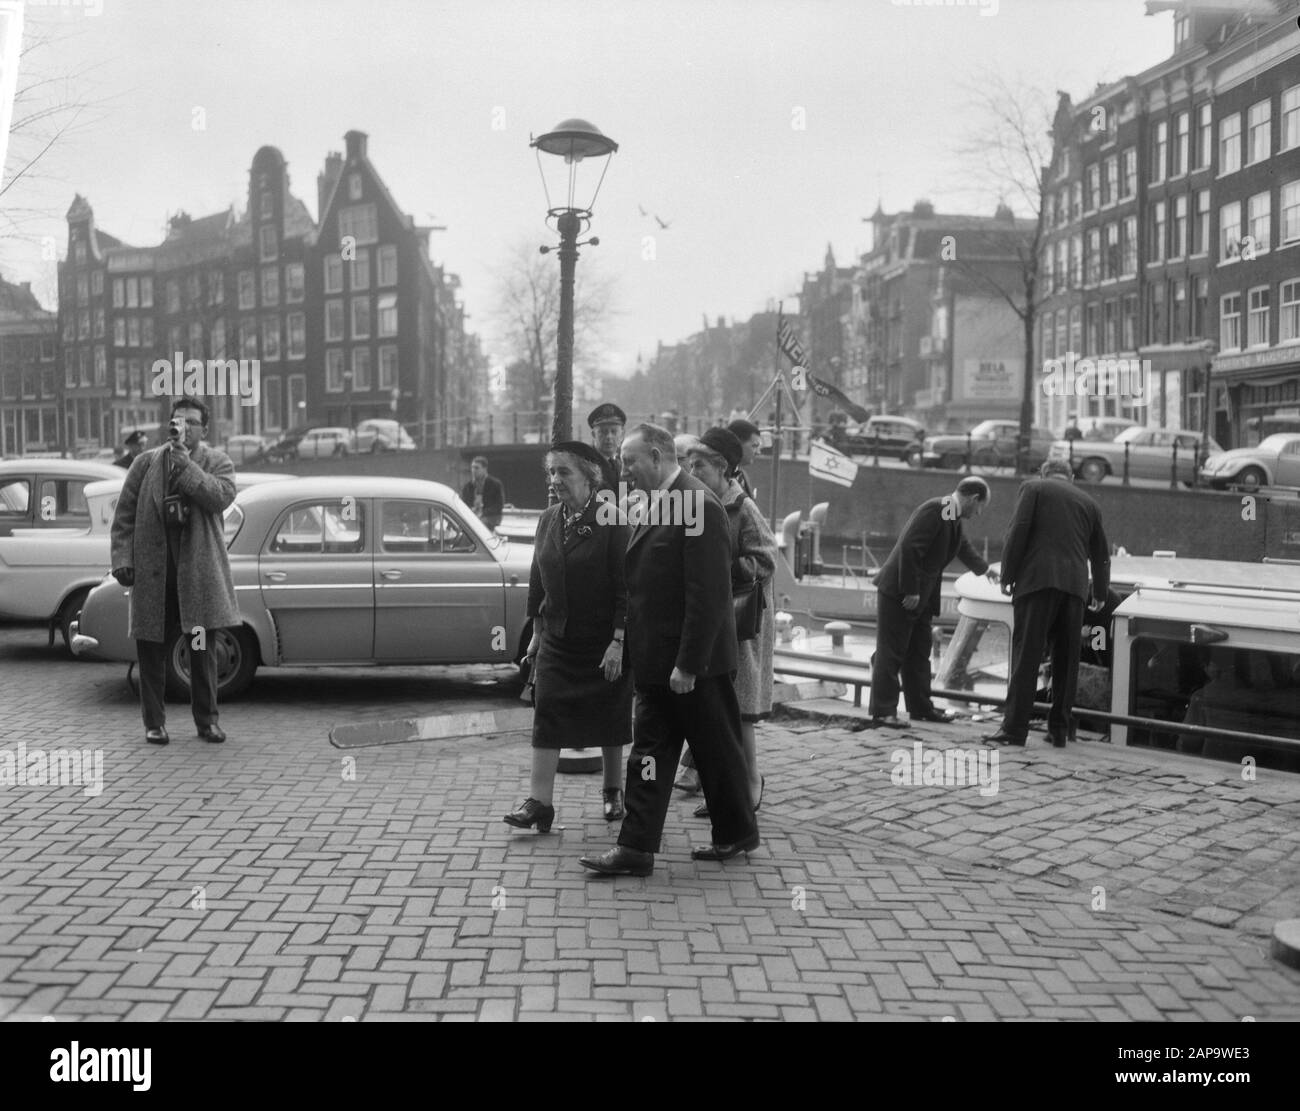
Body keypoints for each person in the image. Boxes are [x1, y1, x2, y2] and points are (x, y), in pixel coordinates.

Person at [578, 423, 759, 876]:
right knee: (653, 755)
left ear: (657, 456)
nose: (624, 469)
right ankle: (637, 847)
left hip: (691, 664)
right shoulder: (656, 503)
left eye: (630, 460)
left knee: (715, 753)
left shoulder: (699, 505)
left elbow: (709, 595)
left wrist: (688, 664)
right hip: (660, 661)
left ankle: (735, 833)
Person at [504, 442, 631, 831]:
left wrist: (619, 641)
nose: (555, 480)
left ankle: (613, 791)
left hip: (602, 639)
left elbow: (627, 587)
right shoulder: (548, 519)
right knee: (548, 712)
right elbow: (536, 580)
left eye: (564, 473)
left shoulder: (613, 519)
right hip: (557, 637)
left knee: (610, 712)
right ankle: (540, 802)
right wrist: (537, 635)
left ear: (589, 478)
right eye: (552, 472)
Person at [110, 398, 238, 746]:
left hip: (195, 579)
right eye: (177, 421)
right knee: (151, 653)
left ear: (204, 429)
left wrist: (186, 467)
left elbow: (220, 497)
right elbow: (124, 516)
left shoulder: (217, 462)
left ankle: (206, 721)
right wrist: (123, 558)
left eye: (191, 422)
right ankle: (154, 723)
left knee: (200, 652)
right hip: (156, 579)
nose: (182, 427)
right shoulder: (145, 463)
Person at [681, 427, 775, 816]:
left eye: (698, 464)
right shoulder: (699, 503)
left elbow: (766, 560)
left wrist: (720, 568)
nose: (692, 471)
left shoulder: (743, 507)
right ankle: (723, 790)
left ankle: (750, 784)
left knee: (741, 712)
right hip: (714, 619)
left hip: (741, 621)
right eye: (689, 464)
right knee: (717, 710)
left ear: (721, 468)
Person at [985, 458, 1110, 748]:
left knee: (1026, 656)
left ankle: (1014, 730)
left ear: (1043, 473)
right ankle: (1059, 731)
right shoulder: (1089, 503)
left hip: (1037, 582)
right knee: (1067, 661)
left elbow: (1018, 531)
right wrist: (1100, 591)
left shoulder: (1033, 488)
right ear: (1071, 478)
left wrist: (1008, 575)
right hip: (1076, 589)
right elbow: (1100, 553)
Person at [870, 477, 996, 728]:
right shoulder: (936, 509)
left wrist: (985, 570)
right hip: (901, 593)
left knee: (918, 653)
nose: (979, 513)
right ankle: (883, 711)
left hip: (921, 598)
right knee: (891, 651)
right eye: (981, 507)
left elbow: (959, 545)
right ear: (973, 499)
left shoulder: (949, 512)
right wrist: (910, 590)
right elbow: (910, 548)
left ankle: (921, 708)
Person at [587, 402, 626, 494]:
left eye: (614, 432)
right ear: (593, 435)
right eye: (603, 432)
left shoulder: (621, 464)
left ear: (622, 435)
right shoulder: (587, 465)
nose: (609, 436)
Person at [461, 455, 504, 531]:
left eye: (477, 468)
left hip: (490, 517)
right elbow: (463, 504)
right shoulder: (467, 486)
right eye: (472, 467)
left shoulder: (495, 484)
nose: (473, 470)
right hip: (472, 516)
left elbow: (498, 506)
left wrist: (482, 513)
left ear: (485, 469)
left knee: (479, 525)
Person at [727, 418, 762, 501]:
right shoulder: (708, 475)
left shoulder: (742, 475)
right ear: (737, 443)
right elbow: (694, 513)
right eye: (754, 446)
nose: (758, 452)